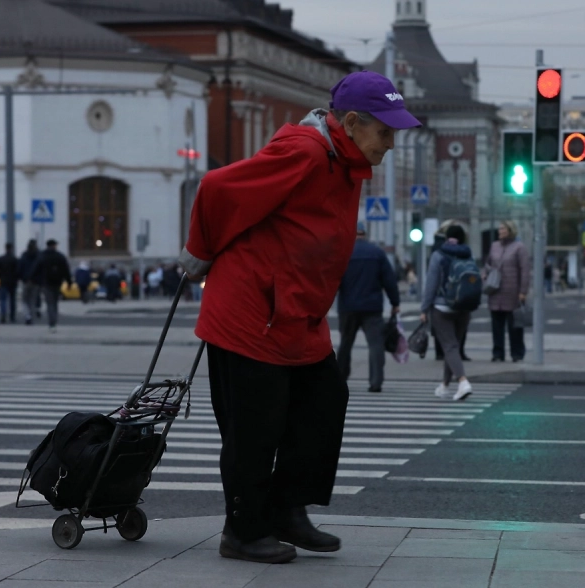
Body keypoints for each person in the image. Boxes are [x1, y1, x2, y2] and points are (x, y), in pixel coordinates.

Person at [178, 70, 421, 564]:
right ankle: (243, 531)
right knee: (254, 428)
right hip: (250, 312)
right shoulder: (306, 153)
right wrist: (198, 254)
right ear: (351, 122)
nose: (391, 144)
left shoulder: (347, 162)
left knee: (325, 401)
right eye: (385, 132)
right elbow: (217, 187)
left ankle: (287, 510)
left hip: (298, 316)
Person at [336, 222, 400, 393]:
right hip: (372, 307)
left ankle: (340, 379)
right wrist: (395, 303)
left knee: (345, 344)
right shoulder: (377, 253)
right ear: (365, 233)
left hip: (347, 307)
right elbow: (389, 280)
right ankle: (376, 382)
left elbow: (334, 280)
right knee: (375, 345)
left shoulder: (343, 252)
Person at [419, 224, 474, 401]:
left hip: (442, 307)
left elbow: (431, 284)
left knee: (449, 347)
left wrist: (424, 308)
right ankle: (444, 386)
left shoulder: (438, 255)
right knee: (453, 347)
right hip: (464, 307)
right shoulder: (468, 254)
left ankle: (463, 382)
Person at [484, 220, 529, 363]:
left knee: (515, 326)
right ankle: (498, 354)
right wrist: (486, 273)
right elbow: (488, 263)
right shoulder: (494, 246)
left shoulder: (519, 247)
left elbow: (525, 271)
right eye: (499, 229)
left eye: (503, 229)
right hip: (495, 292)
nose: (500, 231)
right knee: (497, 326)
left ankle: (517, 353)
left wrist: (523, 291)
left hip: (512, 292)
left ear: (510, 230)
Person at [30, 239, 71, 332]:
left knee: (50, 303)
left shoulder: (42, 256)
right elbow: (66, 270)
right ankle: (54, 321)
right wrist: (69, 282)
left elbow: (36, 268)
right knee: (55, 302)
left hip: (46, 282)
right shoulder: (60, 256)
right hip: (57, 282)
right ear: (54, 245)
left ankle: (51, 322)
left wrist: (32, 279)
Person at [0, 243, 19, 323]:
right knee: (12, 300)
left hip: (3, 281)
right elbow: (18, 271)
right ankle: (12, 316)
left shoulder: (0, 259)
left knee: (3, 300)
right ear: (12, 248)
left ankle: (3, 315)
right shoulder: (15, 259)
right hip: (13, 282)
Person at [17, 239, 40, 324]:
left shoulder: (24, 255)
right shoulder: (39, 255)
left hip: (26, 280)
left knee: (25, 299)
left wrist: (20, 277)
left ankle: (27, 316)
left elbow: (20, 267)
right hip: (36, 281)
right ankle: (32, 315)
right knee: (33, 299)